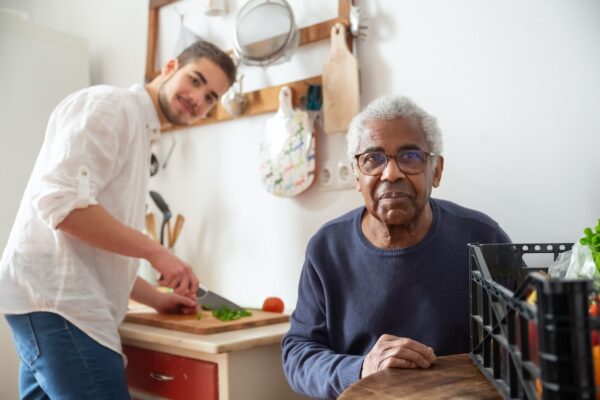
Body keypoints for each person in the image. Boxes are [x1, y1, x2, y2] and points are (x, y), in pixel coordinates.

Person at [0, 40, 236, 399]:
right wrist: (157, 252)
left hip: (50, 304)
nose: (198, 98)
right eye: (196, 80)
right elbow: (60, 205)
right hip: (62, 309)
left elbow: (90, 245)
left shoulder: (139, 130)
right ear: (169, 67)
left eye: (211, 98)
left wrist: (155, 298)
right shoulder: (113, 107)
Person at [282, 95, 511, 399]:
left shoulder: (483, 238)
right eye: (373, 159)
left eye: (411, 157)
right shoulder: (327, 249)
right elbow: (298, 354)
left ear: (437, 170)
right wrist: (363, 368)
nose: (391, 174)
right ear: (357, 175)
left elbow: (524, 343)